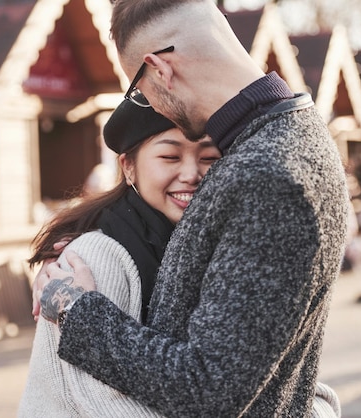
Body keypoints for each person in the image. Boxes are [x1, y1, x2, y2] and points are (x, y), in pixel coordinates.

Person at [33, 1, 349, 416]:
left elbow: (211, 390)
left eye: (140, 91)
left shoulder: (266, 172)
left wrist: (77, 312)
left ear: (159, 69)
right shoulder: (293, 138)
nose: (155, 110)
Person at [19, 100, 221, 417]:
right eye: (170, 156)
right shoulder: (95, 256)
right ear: (128, 167)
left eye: (209, 158)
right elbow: (105, 402)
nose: (191, 174)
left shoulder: (209, 247)